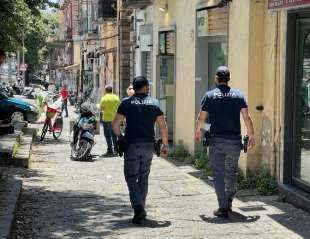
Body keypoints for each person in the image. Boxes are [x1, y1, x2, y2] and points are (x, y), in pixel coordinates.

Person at [195, 66, 255, 218]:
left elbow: (201, 118)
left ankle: (222, 207)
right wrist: (252, 134)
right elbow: (247, 117)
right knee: (231, 171)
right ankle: (229, 198)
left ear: (216, 78)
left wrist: (197, 132)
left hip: (217, 141)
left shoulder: (209, 95)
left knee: (218, 173)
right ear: (228, 78)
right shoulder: (239, 95)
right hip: (234, 141)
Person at [112, 76, 169, 224]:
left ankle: (138, 208)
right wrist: (165, 144)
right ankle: (141, 208)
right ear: (145, 87)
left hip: (131, 144)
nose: (149, 88)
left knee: (131, 177)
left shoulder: (126, 103)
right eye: (147, 86)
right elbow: (163, 126)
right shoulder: (154, 103)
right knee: (144, 177)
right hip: (148, 145)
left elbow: (115, 125)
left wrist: (120, 137)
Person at [100, 85, 120, 157]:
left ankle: (110, 151)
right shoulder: (116, 98)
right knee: (114, 135)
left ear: (105, 90)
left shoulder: (104, 98)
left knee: (107, 135)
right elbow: (119, 108)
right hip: (115, 119)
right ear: (111, 90)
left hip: (106, 119)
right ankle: (116, 150)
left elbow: (101, 109)